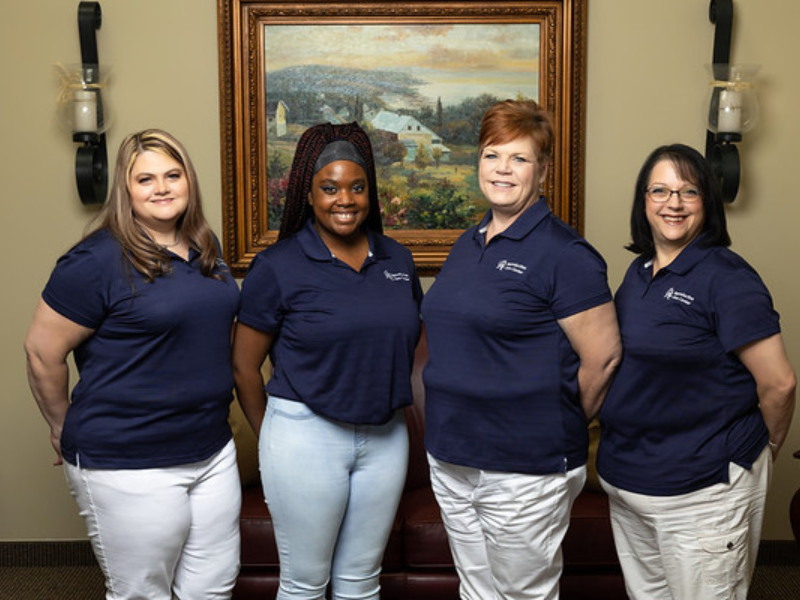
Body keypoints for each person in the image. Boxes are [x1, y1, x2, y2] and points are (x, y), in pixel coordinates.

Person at [24, 129, 242, 600]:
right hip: (128, 459)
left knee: (212, 588)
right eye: (145, 179)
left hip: (210, 450)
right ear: (125, 190)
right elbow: (42, 352)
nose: (161, 187)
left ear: (189, 181)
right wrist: (61, 426)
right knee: (143, 593)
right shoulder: (95, 260)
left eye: (172, 174)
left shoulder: (205, 249)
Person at [420, 99, 622, 599]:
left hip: (524, 467)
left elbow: (604, 358)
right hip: (452, 457)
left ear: (543, 170)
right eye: (492, 155)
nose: (502, 169)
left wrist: (553, 419)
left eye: (519, 158)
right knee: (477, 591)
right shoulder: (469, 243)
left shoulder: (565, 254)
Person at [232, 122, 422, 600]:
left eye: (357, 187)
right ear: (307, 192)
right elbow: (243, 366)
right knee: (304, 584)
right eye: (329, 187)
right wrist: (273, 434)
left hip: (385, 438)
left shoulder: (396, 259)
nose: (345, 199)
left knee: (361, 582)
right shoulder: (278, 266)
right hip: (304, 435)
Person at [598, 143, 797, 599]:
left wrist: (762, 451)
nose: (673, 203)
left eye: (688, 191)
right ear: (643, 200)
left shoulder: (728, 278)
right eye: (661, 190)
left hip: (701, 491)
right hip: (631, 484)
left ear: (706, 201)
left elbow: (779, 383)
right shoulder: (638, 272)